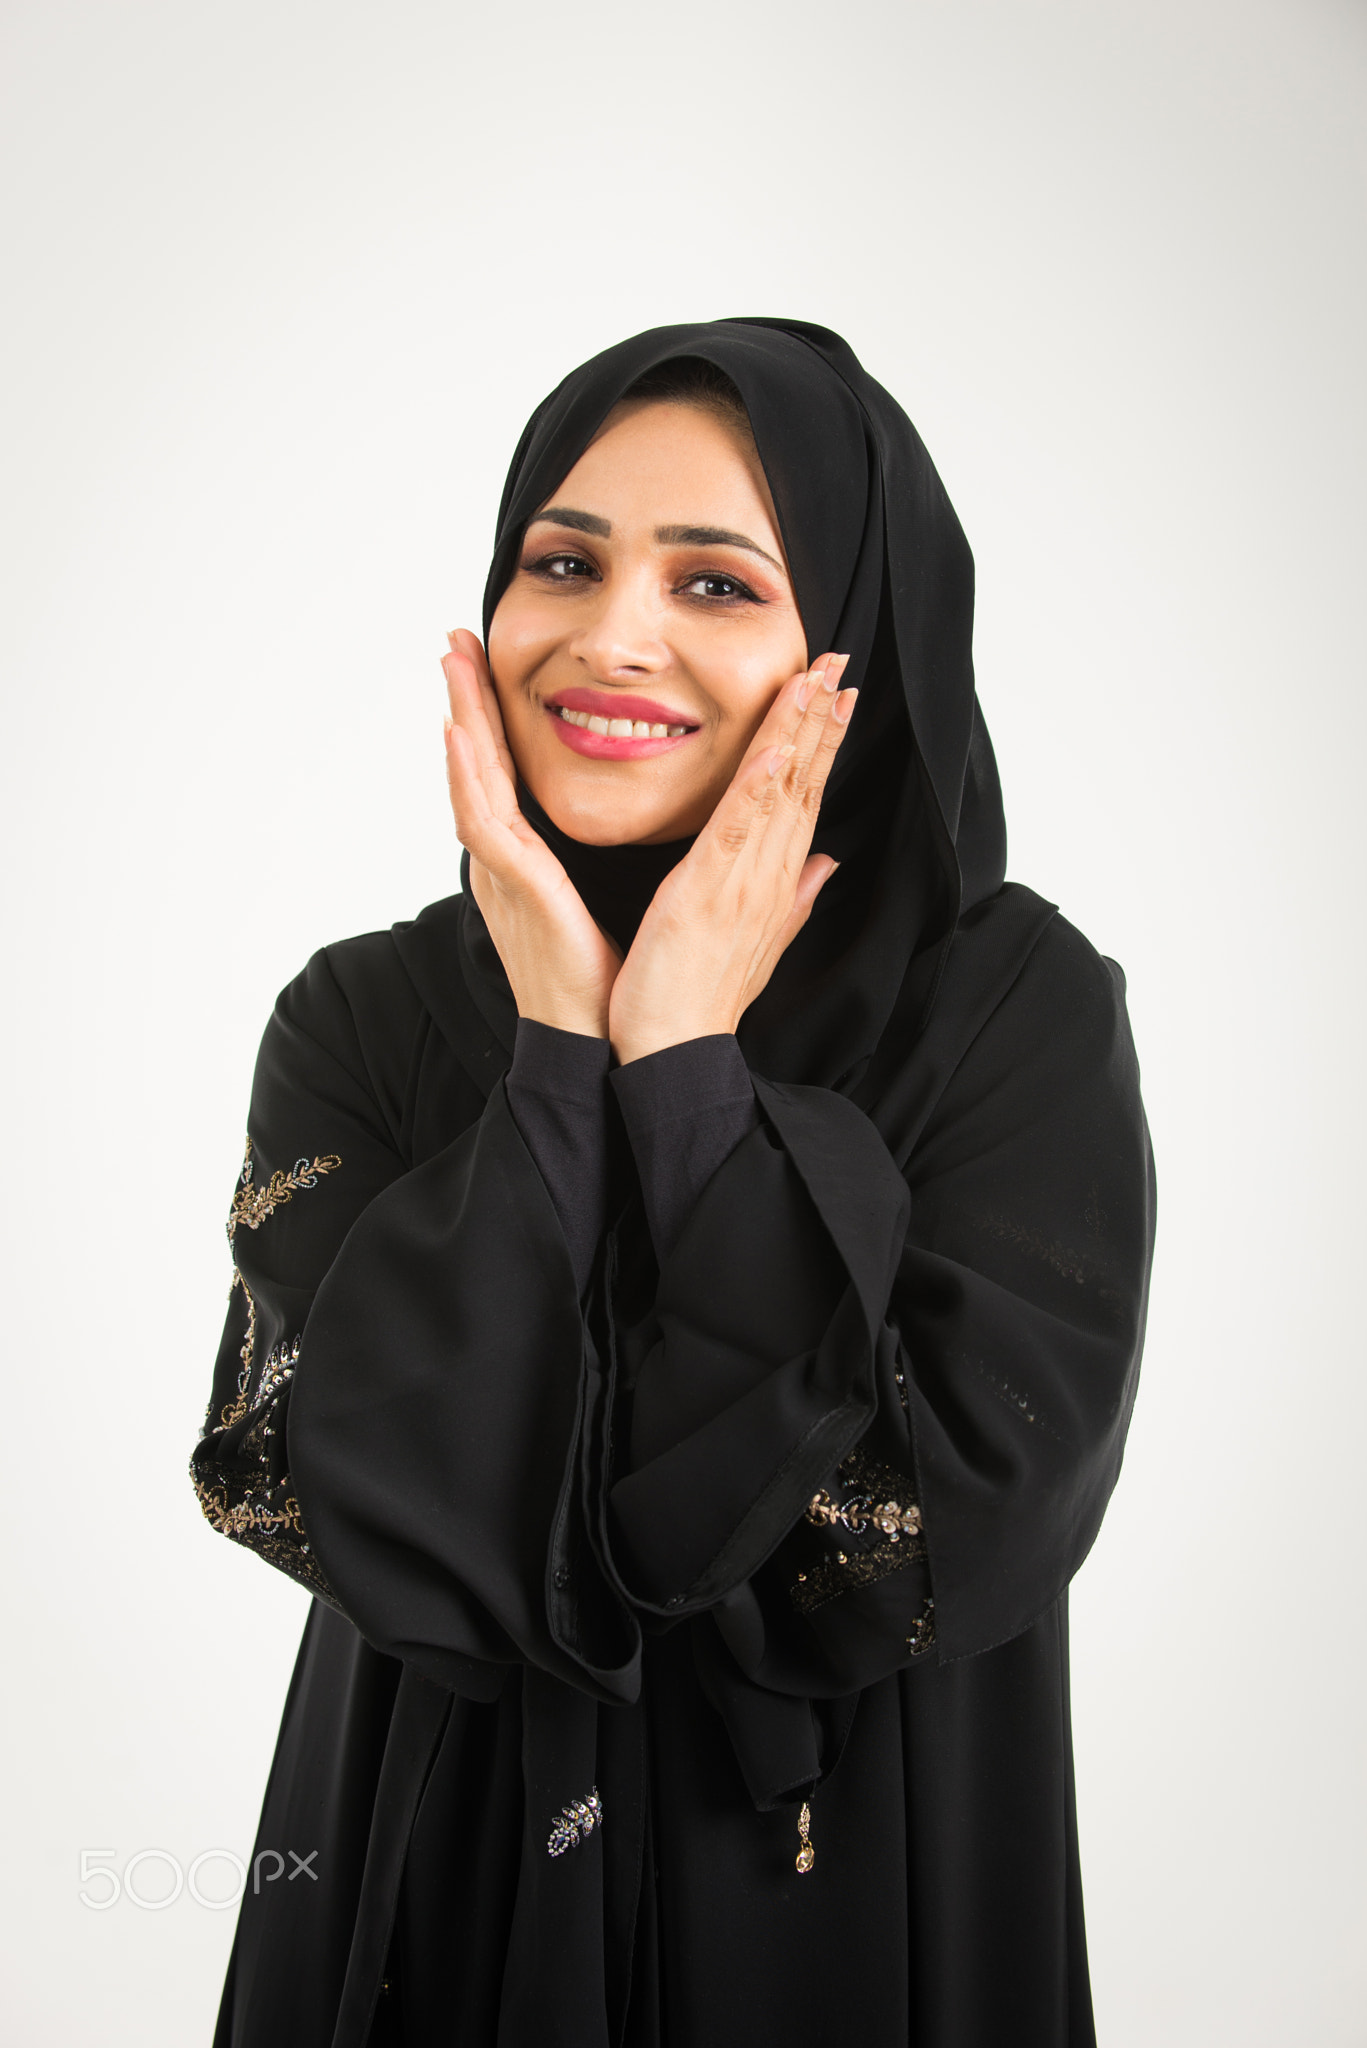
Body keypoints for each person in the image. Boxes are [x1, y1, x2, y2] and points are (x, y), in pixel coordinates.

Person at [190, 319, 1156, 2048]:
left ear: (851, 644)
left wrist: (690, 1069)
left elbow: (897, 1550)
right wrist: (560, 1055)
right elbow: (326, 1494)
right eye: (563, 563)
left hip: (869, 1899)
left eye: (717, 584)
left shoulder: (1012, 1014)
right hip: (438, 1892)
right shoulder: (369, 1015)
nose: (611, 636)